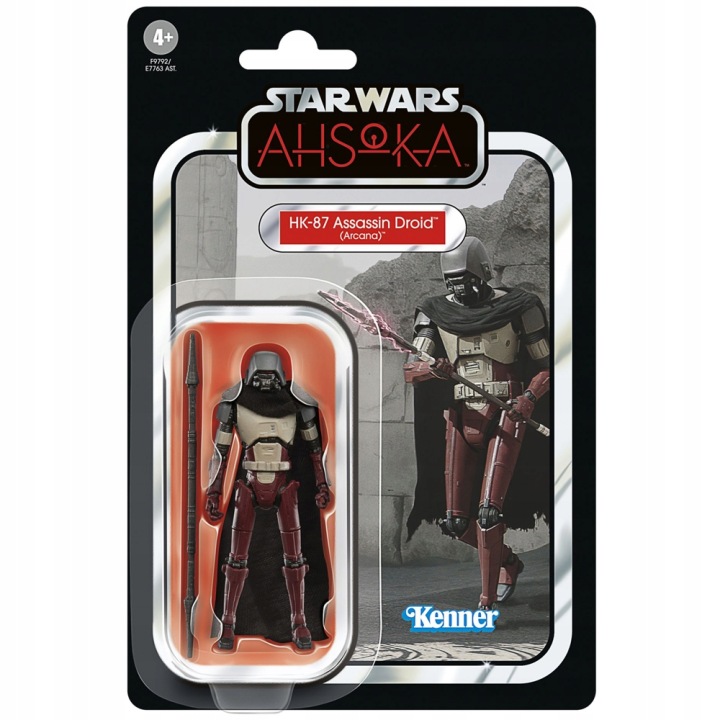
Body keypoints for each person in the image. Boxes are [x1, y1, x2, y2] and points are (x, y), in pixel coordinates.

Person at [404, 237, 550, 609]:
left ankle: (486, 600)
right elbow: (412, 369)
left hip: (506, 411)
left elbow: (548, 366)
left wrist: (529, 398)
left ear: (483, 273)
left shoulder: (519, 306)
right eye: (452, 281)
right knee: (455, 523)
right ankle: (508, 561)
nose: (460, 288)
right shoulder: (435, 311)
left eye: (466, 279)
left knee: (488, 513)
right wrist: (433, 370)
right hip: (460, 413)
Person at [205, 351, 330, 650]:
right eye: (260, 375)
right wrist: (214, 490)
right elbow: (220, 454)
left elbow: (316, 452)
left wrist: (322, 483)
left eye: (270, 375)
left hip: (285, 484)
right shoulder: (233, 404)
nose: (265, 380)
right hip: (248, 484)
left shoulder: (299, 404)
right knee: (236, 560)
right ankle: (229, 624)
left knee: (295, 560)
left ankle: (299, 621)